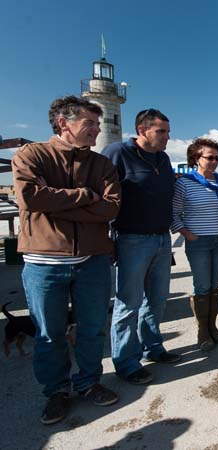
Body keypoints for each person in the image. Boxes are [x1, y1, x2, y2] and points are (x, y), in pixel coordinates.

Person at [12, 96, 121, 424]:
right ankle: (56, 392)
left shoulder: (101, 164)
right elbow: (30, 197)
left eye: (98, 124)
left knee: (91, 329)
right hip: (44, 263)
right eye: (89, 123)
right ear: (64, 123)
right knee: (49, 333)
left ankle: (89, 383)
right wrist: (86, 196)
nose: (96, 130)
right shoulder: (32, 155)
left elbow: (111, 206)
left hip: (93, 260)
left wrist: (58, 200)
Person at [102, 109, 180, 386]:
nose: (167, 137)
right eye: (162, 131)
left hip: (161, 238)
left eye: (168, 132)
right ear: (142, 129)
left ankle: (153, 348)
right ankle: (126, 362)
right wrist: (107, 239)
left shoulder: (163, 158)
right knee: (129, 303)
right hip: (131, 239)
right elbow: (104, 197)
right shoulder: (117, 153)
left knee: (157, 300)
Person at [172, 138, 218, 352]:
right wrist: (186, 234)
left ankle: (213, 327)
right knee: (202, 286)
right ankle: (203, 330)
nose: (214, 161)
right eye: (209, 157)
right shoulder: (185, 182)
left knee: (214, 286)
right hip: (198, 242)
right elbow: (173, 212)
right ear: (196, 158)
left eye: (217, 158)